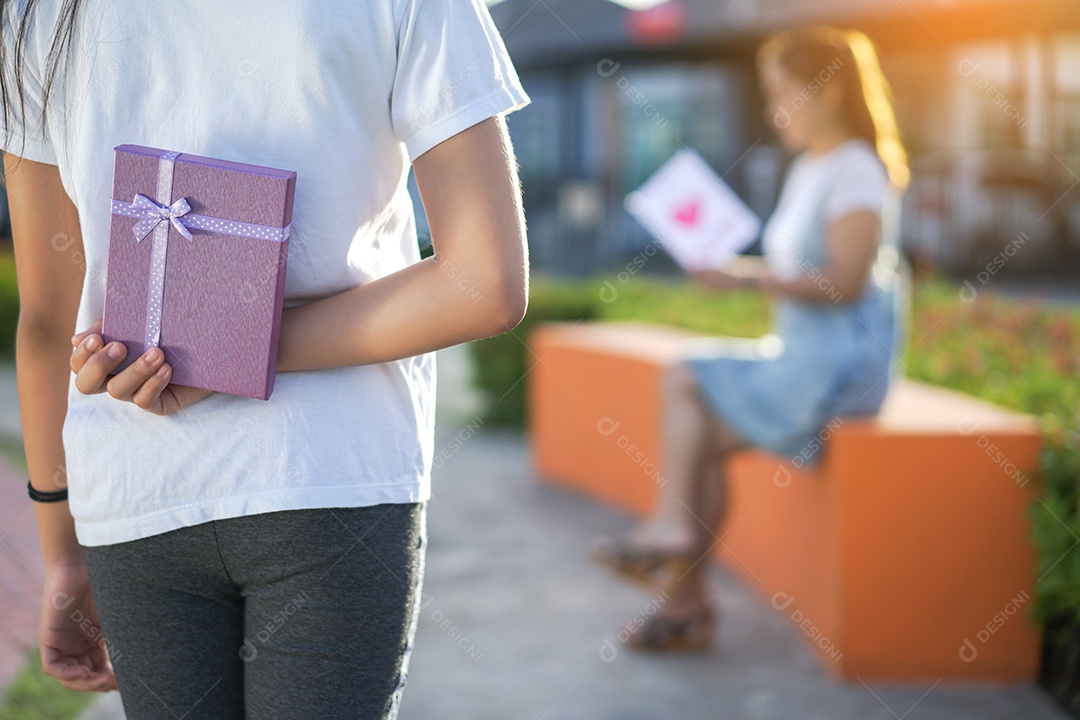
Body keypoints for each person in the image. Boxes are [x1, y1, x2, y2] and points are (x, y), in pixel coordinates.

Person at [2, 0, 529, 717]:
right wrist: (227, 347)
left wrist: (60, 550)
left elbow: (44, 323)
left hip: (133, 493)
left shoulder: (37, 16)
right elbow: (484, 285)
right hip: (327, 477)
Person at [592, 24, 911, 650]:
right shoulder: (812, 169)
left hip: (839, 371)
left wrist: (745, 278)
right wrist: (742, 274)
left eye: (783, 92)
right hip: (803, 356)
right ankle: (683, 600)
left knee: (686, 382)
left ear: (829, 90)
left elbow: (845, 283)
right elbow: (799, 274)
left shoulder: (857, 171)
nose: (774, 109)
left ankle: (673, 561)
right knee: (697, 436)